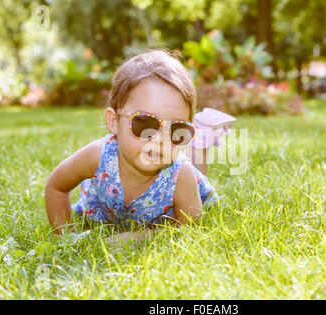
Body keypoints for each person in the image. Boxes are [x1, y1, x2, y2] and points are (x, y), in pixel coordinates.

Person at [45, 50, 236, 245]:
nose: (160, 140)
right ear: (114, 121)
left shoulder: (181, 175)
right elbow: (56, 187)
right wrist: (66, 240)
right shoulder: (97, 155)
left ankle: (200, 142)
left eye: (178, 130)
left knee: (195, 175)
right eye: (145, 123)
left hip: (185, 186)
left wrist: (142, 237)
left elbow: (189, 229)